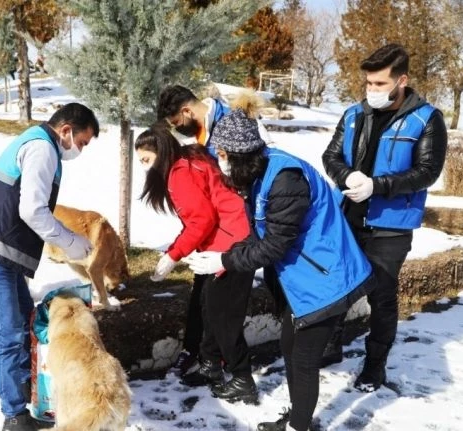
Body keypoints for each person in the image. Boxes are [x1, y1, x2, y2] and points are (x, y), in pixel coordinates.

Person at [186, 109, 374, 431]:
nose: (220, 161)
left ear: (236, 153)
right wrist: (225, 253)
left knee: (303, 359)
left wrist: (224, 261)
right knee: (289, 344)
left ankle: (298, 426)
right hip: (306, 278)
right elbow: (262, 234)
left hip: (327, 278)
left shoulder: (285, 179)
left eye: (221, 154)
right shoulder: (260, 175)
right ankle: (298, 417)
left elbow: (275, 245)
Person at [0, 103, 100, 431]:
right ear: (66, 130)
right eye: (83, 142)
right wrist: (71, 242)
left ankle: (29, 398)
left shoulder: (40, 143)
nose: (80, 149)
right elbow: (33, 211)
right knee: (8, 335)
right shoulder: (41, 149)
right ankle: (15, 417)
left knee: (24, 321)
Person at [321, 44, 447, 391]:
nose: (371, 90)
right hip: (348, 217)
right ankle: (330, 347)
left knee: (381, 296)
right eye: (368, 83)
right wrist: (345, 176)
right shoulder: (352, 115)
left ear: (401, 80)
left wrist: (378, 186)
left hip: (391, 225)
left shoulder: (426, 118)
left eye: (379, 84)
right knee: (337, 286)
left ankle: (375, 365)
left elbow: (427, 171)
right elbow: (330, 154)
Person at [135, 124, 258, 404]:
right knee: (207, 306)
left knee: (223, 316)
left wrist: (172, 255)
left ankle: (242, 378)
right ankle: (210, 366)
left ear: (162, 152)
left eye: (146, 160)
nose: (145, 168)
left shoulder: (180, 173)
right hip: (227, 240)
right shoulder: (190, 159)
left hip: (232, 245)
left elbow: (201, 220)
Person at [155, 84, 233, 376]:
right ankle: (195, 350)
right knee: (201, 296)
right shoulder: (199, 135)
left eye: (176, 122)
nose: (178, 129)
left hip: (233, 233)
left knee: (220, 304)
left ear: (187, 111)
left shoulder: (228, 125)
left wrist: (174, 254)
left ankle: (219, 362)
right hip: (212, 236)